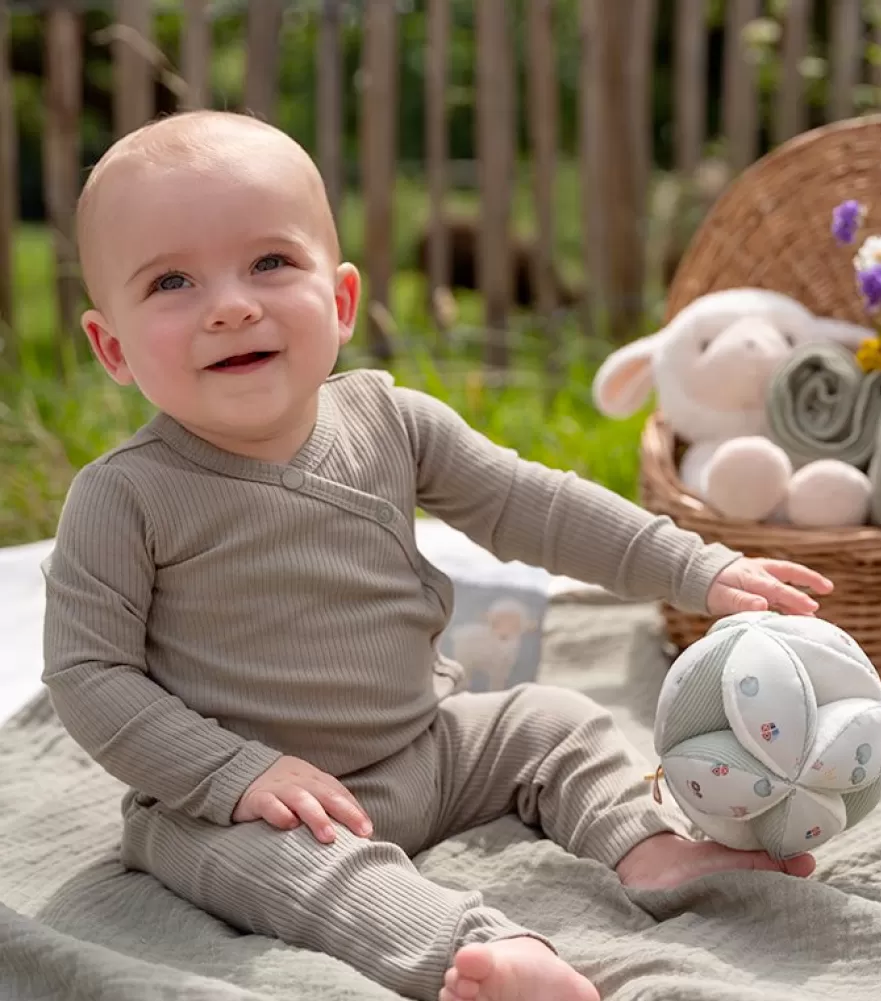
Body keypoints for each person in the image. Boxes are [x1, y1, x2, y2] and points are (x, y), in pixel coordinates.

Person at [42, 110, 830, 1001]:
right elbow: (88, 673)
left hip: (427, 749)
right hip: (254, 803)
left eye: (270, 263)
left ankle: (649, 851)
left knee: (552, 719)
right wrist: (236, 773)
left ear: (340, 302)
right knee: (306, 873)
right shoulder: (124, 495)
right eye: (173, 281)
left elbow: (535, 504)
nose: (232, 303)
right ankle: (481, 953)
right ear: (112, 347)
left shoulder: (390, 420)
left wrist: (695, 566)